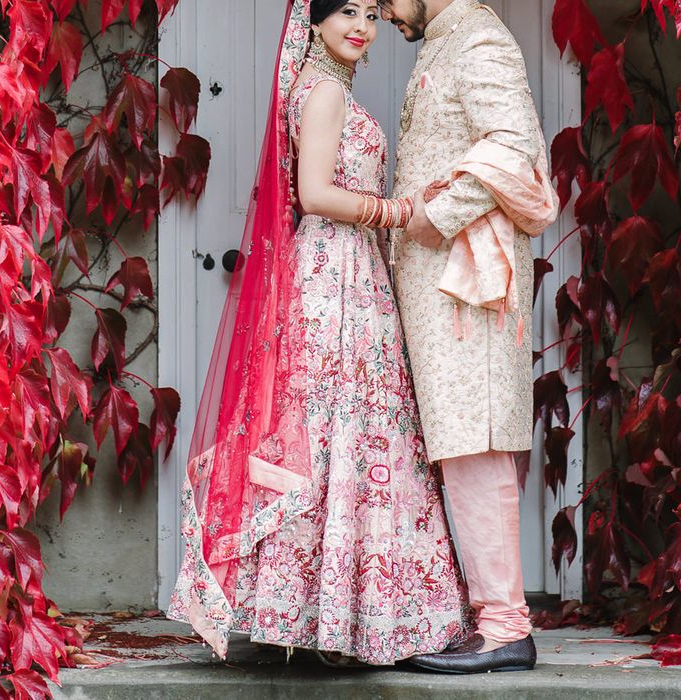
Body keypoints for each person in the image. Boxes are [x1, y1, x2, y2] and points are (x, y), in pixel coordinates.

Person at [167, 0, 470, 666]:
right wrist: (398, 212)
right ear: (315, 20)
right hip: (335, 270)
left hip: (337, 268)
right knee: (341, 425)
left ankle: (322, 611)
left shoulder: (310, 83)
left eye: (370, 11)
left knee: (330, 428)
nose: (361, 25)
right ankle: (342, 614)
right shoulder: (326, 89)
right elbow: (314, 193)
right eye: (347, 11)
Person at [378, 0, 559, 673]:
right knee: (461, 443)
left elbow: (516, 149)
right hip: (446, 286)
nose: (386, 11)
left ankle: (506, 626)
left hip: (468, 286)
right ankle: (488, 617)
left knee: (477, 439)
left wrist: (432, 213)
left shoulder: (481, 39)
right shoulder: (448, 40)